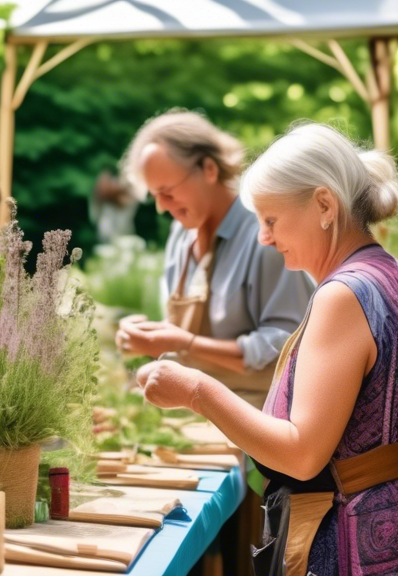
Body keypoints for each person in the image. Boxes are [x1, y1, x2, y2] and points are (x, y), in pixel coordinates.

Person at [136, 123, 398, 576]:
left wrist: (197, 390)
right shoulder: (384, 272)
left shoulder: (343, 296)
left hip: (352, 545)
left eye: (271, 220)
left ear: (323, 205)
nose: (264, 238)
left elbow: (301, 453)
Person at [115, 110, 314, 408]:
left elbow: (287, 345)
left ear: (209, 168)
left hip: (263, 420)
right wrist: (145, 336)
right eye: (154, 195)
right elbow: (182, 338)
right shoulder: (180, 236)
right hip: (198, 417)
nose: (160, 207)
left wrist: (184, 343)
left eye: (167, 192)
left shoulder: (266, 234)